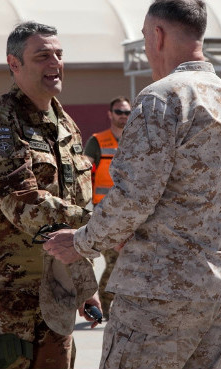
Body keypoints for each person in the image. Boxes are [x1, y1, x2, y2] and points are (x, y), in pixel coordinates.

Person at [45, 0, 221, 369]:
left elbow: (134, 196)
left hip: (162, 295)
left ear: (158, 36)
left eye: (146, 36)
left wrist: (82, 242)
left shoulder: (161, 98)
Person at [0, 21, 99, 369]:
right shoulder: (0, 123)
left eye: (59, 55)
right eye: (43, 56)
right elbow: (22, 203)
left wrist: (84, 280)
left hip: (55, 291)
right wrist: (99, 226)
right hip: (5, 298)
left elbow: (77, 200)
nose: (55, 63)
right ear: (14, 63)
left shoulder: (66, 125)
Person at [83, 96, 131, 321]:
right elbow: (83, 172)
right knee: (113, 262)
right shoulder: (97, 141)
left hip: (130, 215)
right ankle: (103, 305)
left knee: (127, 262)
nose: (123, 116)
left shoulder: (135, 140)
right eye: (119, 112)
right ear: (110, 114)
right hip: (104, 215)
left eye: (127, 112)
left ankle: (117, 308)